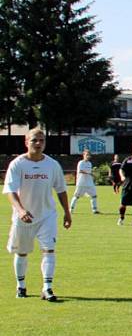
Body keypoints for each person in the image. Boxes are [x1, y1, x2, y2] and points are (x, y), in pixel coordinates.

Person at [3, 128, 71, 301]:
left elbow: (61, 190)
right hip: (24, 217)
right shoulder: (17, 164)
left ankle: (47, 288)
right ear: (26, 142)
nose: (38, 144)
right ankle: (21, 286)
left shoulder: (52, 164)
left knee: (49, 250)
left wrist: (67, 212)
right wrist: (20, 210)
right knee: (22, 252)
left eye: (42, 140)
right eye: (34, 140)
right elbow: (10, 190)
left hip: (47, 215)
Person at [70, 149, 100, 214]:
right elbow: (80, 171)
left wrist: (92, 175)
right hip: (81, 183)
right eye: (87, 155)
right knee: (76, 196)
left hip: (89, 183)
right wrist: (89, 172)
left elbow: (89, 172)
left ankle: (94, 210)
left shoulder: (90, 163)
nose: (88, 156)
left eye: (89, 155)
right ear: (83, 155)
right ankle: (71, 209)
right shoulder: (81, 162)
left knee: (94, 195)